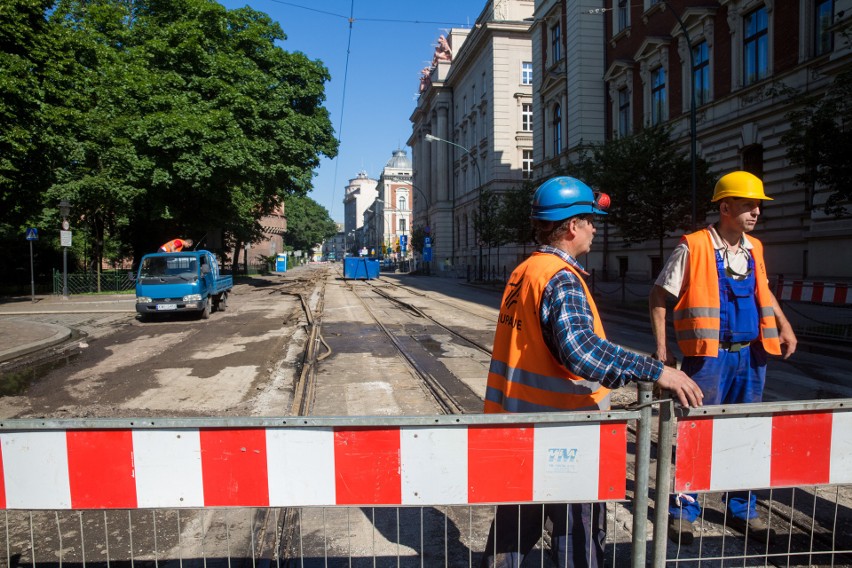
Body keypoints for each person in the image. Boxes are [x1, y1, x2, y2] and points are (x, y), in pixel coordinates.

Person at [480, 176, 704, 568]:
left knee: (515, 528)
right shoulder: (561, 278)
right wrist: (655, 371)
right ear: (571, 226)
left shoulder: (526, 270)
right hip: (565, 434)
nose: (595, 229)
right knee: (577, 537)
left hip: (520, 425)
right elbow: (582, 353)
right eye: (590, 221)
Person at [649, 170, 797, 545]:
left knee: (745, 434)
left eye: (758, 206)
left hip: (751, 357)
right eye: (749, 205)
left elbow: (763, 290)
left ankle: (743, 508)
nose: (756, 213)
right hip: (707, 358)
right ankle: (683, 510)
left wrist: (783, 323)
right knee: (697, 433)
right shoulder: (694, 246)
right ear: (725, 206)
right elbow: (657, 297)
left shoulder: (755, 248)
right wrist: (663, 353)